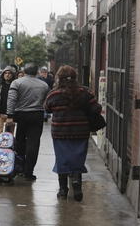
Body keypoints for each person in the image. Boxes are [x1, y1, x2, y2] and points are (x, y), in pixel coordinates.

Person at [44, 65, 102, 201]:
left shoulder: (54, 94)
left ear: (59, 78)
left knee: (62, 159)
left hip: (60, 132)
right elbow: (96, 108)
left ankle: (63, 190)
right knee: (77, 158)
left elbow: (47, 108)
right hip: (80, 131)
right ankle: (77, 185)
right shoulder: (85, 93)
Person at [6, 63, 50, 181]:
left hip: (21, 115)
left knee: (20, 141)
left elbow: (11, 100)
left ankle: (19, 167)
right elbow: (47, 101)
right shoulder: (44, 85)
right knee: (34, 143)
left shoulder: (17, 83)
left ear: (24, 71)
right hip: (37, 115)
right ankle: (29, 172)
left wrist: (10, 115)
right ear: (36, 72)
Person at [0, 66, 17, 133]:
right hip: (0, 113)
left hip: (11, 114)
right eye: (5, 73)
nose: (7, 75)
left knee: (9, 135)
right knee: (0, 134)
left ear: (12, 75)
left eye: (9, 73)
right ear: (3, 74)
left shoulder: (16, 85)